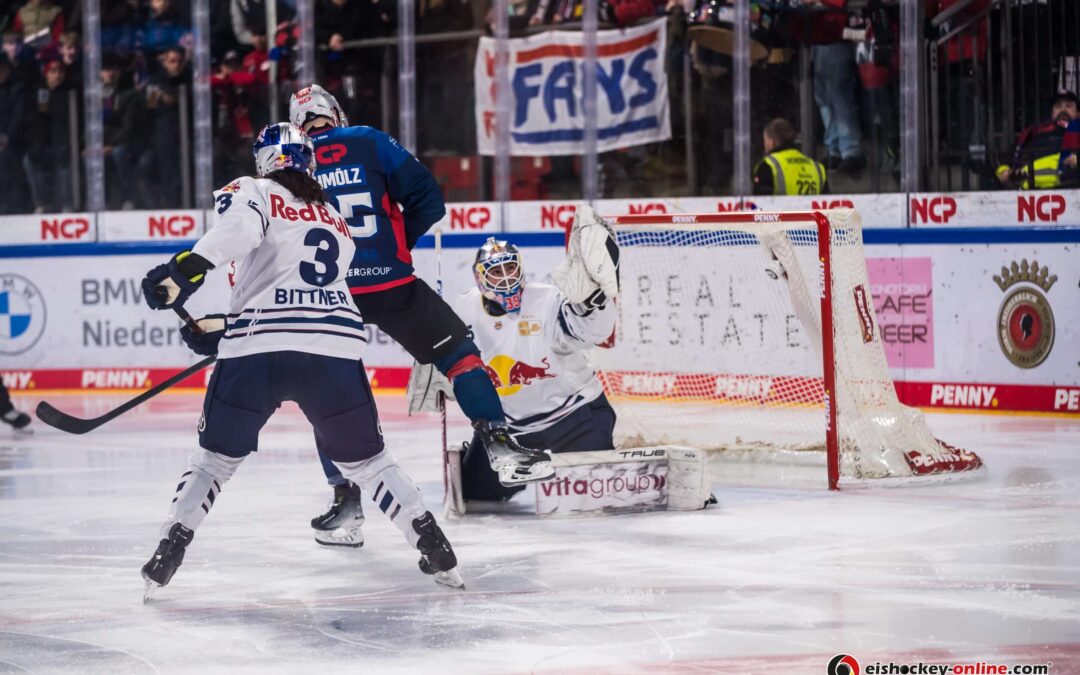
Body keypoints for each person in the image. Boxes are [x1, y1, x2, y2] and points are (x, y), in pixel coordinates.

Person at [137, 122, 462, 597]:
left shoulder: (252, 189)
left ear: (264, 160)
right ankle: (431, 541)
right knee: (371, 465)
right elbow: (300, 293)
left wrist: (185, 268)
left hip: (259, 352)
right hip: (332, 351)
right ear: (309, 161)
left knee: (212, 463)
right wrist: (225, 331)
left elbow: (240, 230)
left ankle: (170, 547)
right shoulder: (333, 216)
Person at [288, 84, 554, 547]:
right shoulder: (368, 140)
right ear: (335, 113)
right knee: (460, 355)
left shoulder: (292, 165)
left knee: (327, 392)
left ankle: (345, 503)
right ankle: (497, 441)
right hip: (393, 284)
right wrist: (391, 247)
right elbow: (429, 201)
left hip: (332, 294)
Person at [452, 237, 619, 504]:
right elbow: (456, 363)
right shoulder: (464, 308)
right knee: (474, 496)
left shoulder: (549, 298)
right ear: (479, 276)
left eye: (510, 268)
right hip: (512, 435)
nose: (505, 278)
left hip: (576, 419)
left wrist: (594, 303)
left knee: (599, 495)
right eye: (496, 271)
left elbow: (589, 332)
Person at [997, 92, 1080, 190]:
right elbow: (1006, 156)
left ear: (1078, 112)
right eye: (1058, 106)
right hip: (1030, 195)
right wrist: (1003, 171)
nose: (1063, 109)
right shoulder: (1034, 132)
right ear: (1052, 112)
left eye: (1068, 106)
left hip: (1072, 192)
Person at [753, 118, 828, 196]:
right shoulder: (817, 168)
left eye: (765, 140)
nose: (764, 145)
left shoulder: (768, 165)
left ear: (772, 141)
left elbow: (759, 203)